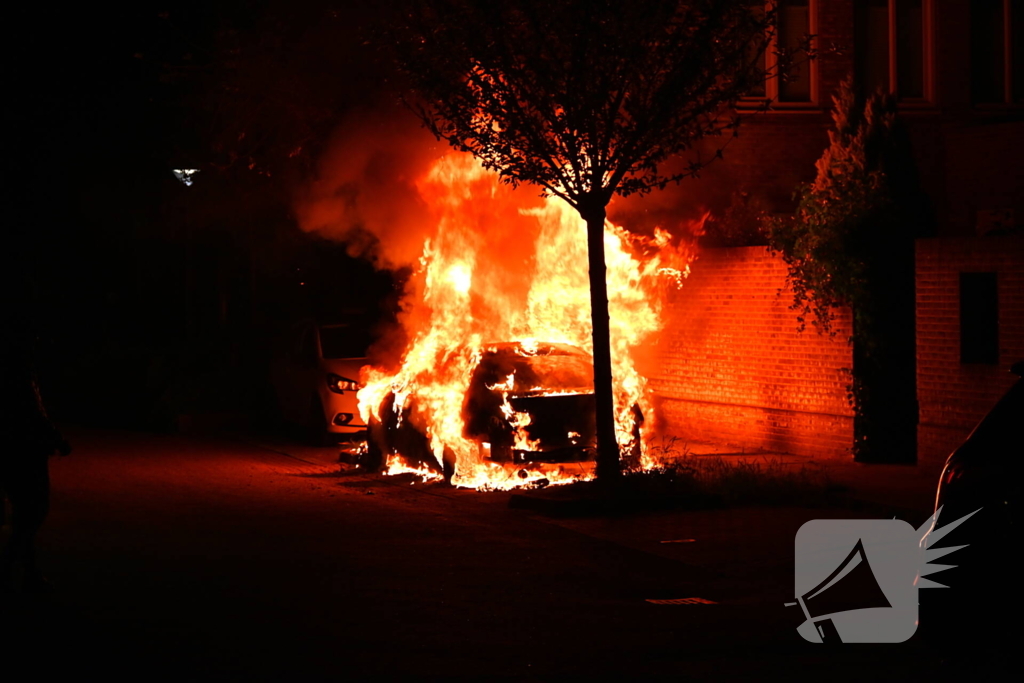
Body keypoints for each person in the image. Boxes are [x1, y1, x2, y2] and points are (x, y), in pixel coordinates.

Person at [0, 333, 70, 594]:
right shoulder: (21, 376)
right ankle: (8, 568)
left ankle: (27, 571)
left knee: (24, 512)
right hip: (25, 452)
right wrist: (58, 439)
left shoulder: (11, 373)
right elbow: (33, 413)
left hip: (10, 451)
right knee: (35, 510)